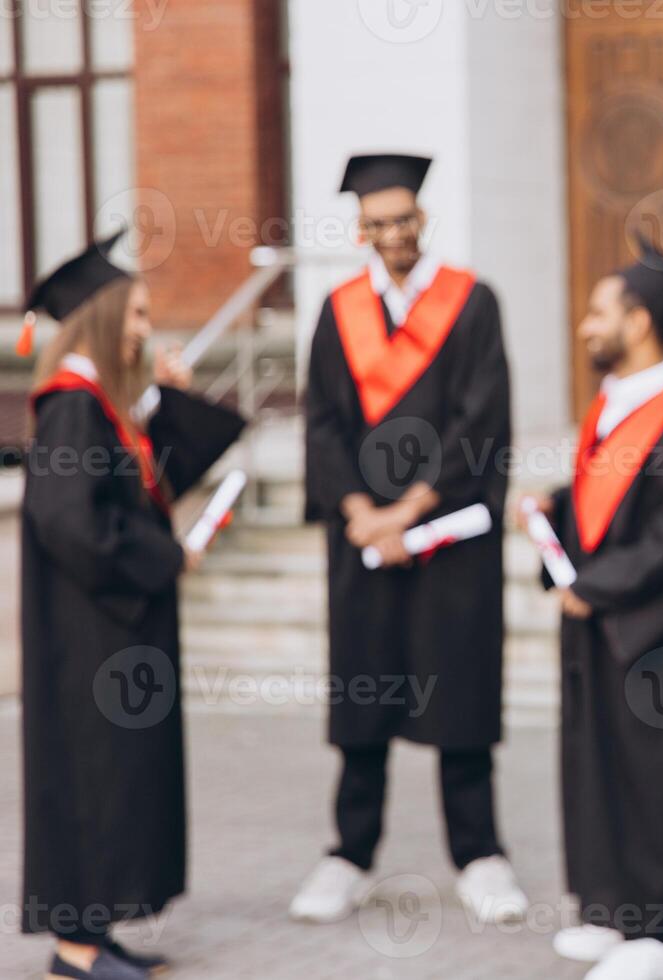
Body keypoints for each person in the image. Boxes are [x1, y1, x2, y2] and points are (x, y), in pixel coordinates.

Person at [290, 153, 523, 926]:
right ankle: (348, 854)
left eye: (404, 220)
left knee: (458, 692)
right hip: (364, 541)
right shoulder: (339, 310)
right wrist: (360, 510)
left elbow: (480, 421)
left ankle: (481, 856)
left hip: (446, 536)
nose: (394, 234)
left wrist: (407, 514)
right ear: (362, 231)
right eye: (379, 224)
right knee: (365, 692)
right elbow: (322, 420)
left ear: (422, 221)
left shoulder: (471, 304)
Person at [20, 233, 245, 980]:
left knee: (115, 781)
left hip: (110, 631)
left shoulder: (101, 409)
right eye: (139, 314)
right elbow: (70, 522)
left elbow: (143, 487)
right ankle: (74, 947)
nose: (147, 328)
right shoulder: (70, 408)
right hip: (87, 639)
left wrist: (161, 400)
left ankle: (98, 930)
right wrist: (165, 557)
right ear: (105, 316)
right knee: (88, 781)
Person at [521, 240, 663, 980]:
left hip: (658, 642)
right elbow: (608, 512)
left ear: (639, 322)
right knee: (598, 765)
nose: (585, 326)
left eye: (599, 312)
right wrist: (555, 513)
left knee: (658, 771)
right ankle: (611, 908)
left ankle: (660, 928)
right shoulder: (614, 410)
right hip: (601, 636)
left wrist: (597, 585)